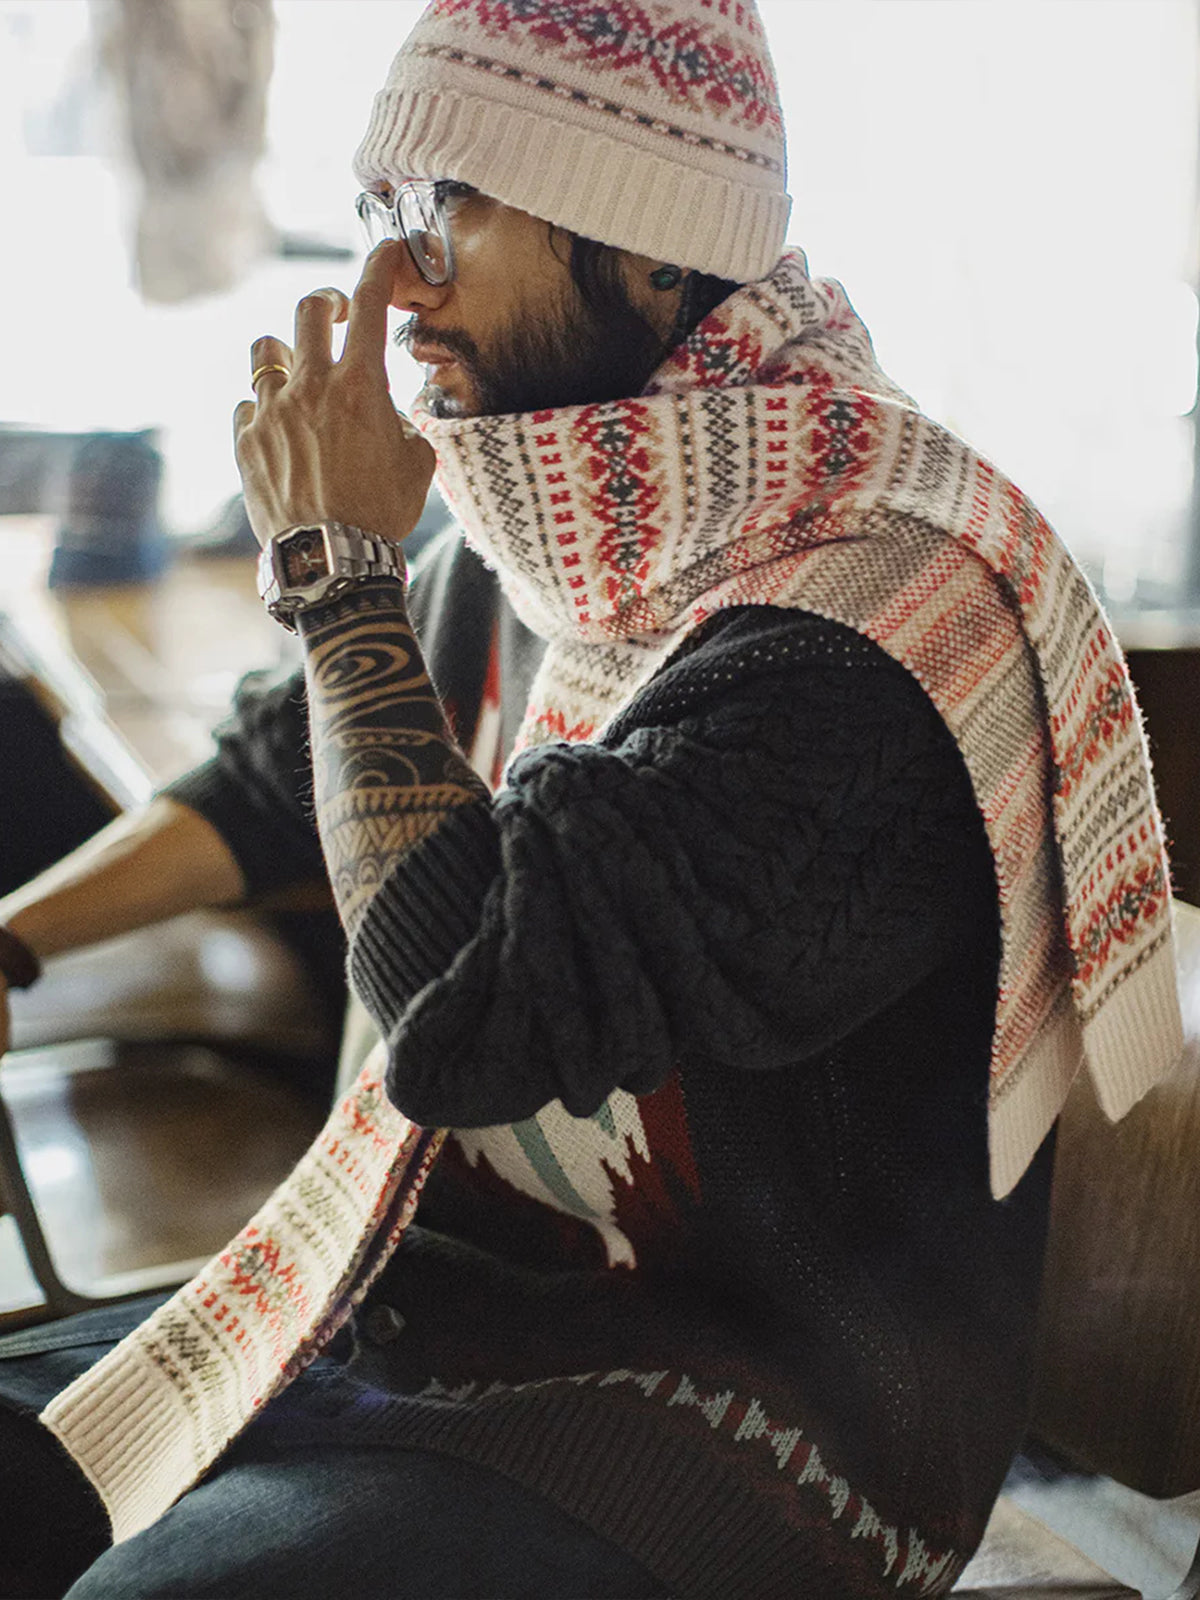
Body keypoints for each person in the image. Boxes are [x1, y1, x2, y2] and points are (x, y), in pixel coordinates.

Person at [0, 1, 1183, 1596]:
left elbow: (466, 1011)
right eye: (384, 209)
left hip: (756, 1432)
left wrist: (338, 577)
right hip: (442, 1303)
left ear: (649, 252)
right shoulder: (548, 522)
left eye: (453, 209)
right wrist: (17, 937)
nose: (395, 279)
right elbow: (282, 779)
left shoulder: (873, 635)